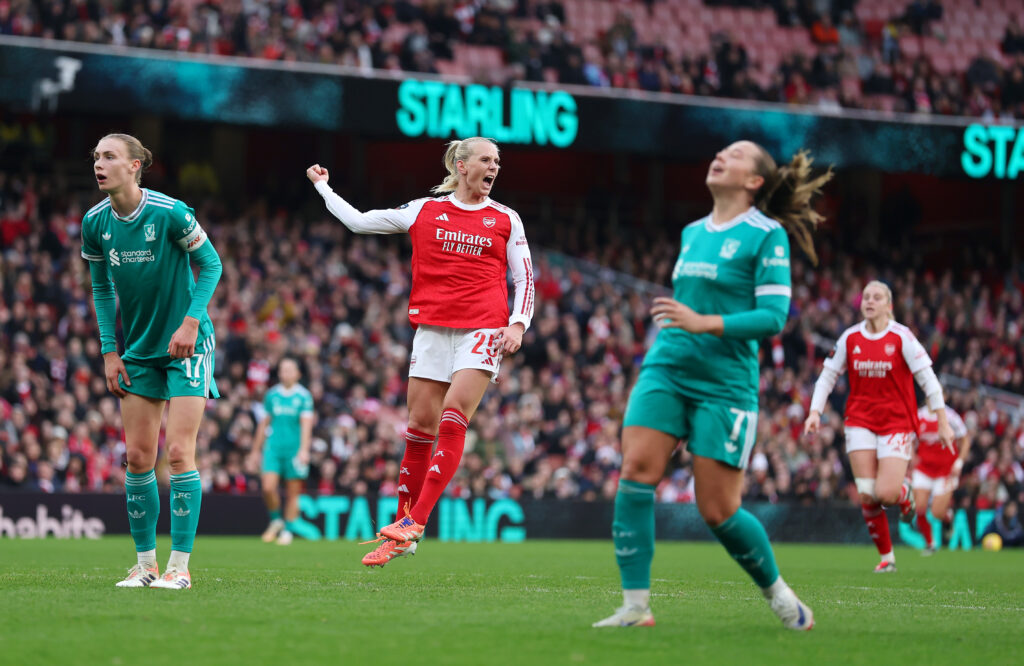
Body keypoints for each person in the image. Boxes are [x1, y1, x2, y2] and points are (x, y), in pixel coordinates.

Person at [593, 140, 832, 630]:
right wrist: (689, 327)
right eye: (721, 151)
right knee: (636, 469)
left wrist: (704, 322)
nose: (721, 155)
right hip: (667, 366)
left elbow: (773, 316)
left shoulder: (767, 235)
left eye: (737, 154)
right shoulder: (692, 232)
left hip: (724, 382)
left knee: (718, 509)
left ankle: (781, 597)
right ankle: (635, 607)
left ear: (754, 182)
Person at [306, 137, 534, 567]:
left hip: (483, 327)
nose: (495, 167)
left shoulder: (505, 219)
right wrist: (323, 187)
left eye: (498, 161)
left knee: (453, 414)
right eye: (487, 160)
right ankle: (401, 534)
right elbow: (357, 221)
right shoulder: (423, 210)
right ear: (462, 166)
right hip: (431, 330)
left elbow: (526, 279)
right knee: (419, 427)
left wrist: (517, 324)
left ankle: (416, 521)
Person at [82, 133, 222, 589]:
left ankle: (179, 568)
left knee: (180, 453)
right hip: (138, 351)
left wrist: (190, 322)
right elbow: (101, 289)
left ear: (136, 165)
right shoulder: (95, 222)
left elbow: (212, 264)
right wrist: (109, 349)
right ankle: (146, 566)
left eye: (109, 157)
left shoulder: (170, 212)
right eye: (96, 157)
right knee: (138, 458)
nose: (99, 164)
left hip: (187, 345)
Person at [805, 280, 953, 573]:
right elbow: (827, 376)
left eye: (877, 297)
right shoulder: (849, 338)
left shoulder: (902, 337)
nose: (869, 301)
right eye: (866, 297)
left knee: (886, 493)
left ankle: (903, 491)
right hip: (860, 419)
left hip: (897, 422)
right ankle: (887, 557)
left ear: (889, 305)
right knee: (866, 493)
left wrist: (943, 422)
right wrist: (814, 412)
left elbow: (928, 379)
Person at [253, 358, 315, 545]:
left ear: (298, 374)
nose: (285, 373)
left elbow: (306, 425)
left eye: (289, 369)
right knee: (268, 487)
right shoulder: (271, 395)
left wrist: (304, 450)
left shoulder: (304, 396)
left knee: (292, 493)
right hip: (273, 448)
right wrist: (255, 450)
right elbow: (263, 423)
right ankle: (276, 520)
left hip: (294, 450)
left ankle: (287, 529)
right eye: (282, 369)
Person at [913, 400, 970, 554]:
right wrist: (912, 456)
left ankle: (947, 517)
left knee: (936, 513)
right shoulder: (919, 415)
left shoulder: (950, 416)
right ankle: (930, 543)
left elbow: (965, 440)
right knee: (919, 508)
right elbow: (909, 438)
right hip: (924, 469)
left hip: (946, 471)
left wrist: (959, 463)